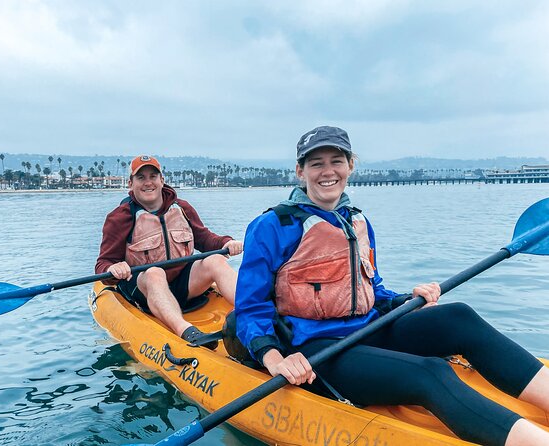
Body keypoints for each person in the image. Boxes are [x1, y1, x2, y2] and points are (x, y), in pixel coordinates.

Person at [233, 126, 549, 446]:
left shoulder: (357, 220)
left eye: (336, 161)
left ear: (350, 166)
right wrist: (274, 359)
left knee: (459, 316)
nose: (328, 171)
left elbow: (373, 291)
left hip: (367, 331)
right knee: (430, 372)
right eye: (316, 163)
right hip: (317, 351)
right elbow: (249, 308)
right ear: (300, 171)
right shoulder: (272, 226)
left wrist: (405, 300)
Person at [95, 155, 243, 349]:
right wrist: (114, 268)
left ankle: (253, 311)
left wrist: (227, 242)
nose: (148, 182)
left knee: (215, 259)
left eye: (153, 176)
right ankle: (186, 331)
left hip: (183, 285)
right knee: (155, 272)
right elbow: (103, 264)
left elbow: (204, 238)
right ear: (130, 184)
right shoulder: (120, 217)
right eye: (141, 178)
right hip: (146, 290)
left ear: (162, 180)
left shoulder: (182, 208)